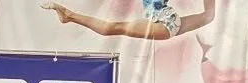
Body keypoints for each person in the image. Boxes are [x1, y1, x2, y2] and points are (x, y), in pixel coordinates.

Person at [40, 0, 215, 41]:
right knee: (208, 16)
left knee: (112, 28)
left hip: (165, 22)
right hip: (163, 20)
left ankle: (68, 15)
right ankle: (68, 16)